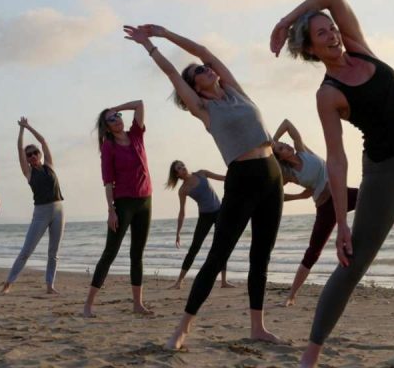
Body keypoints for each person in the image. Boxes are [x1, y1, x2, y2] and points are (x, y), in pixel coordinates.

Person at [271, 0, 394, 368]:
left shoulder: (359, 46)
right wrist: (342, 222)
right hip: (385, 174)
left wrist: (286, 20)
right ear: (311, 50)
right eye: (321, 34)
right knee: (354, 263)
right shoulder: (328, 93)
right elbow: (336, 159)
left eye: (331, 27)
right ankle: (309, 357)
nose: (332, 34)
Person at [123, 24, 284, 350]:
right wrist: (150, 45)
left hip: (272, 175)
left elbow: (206, 53)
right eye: (199, 72)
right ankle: (182, 329)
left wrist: (166, 33)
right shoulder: (203, 108)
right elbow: (172, 74)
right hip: (242, 179)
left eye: (206, 68)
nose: (207, 69)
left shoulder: (236, 90)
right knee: (216, 256)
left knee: (261, 256)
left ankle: (258, 326)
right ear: (195, 87)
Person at [271, 119, 361, 307]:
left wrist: (274, 141)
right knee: (313, 252)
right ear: (280, 158)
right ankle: (291, 295)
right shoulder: (289, 174)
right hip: (325, 206)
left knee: (374, 198)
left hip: (341, 194)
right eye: (282, 149)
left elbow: (288, 123)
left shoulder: (302, 150)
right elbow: (275, 194)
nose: (286, 145)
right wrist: (298, 197)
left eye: (284, 144)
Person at [83, 101, 153, 317]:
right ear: (106, 127)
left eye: (118, 116)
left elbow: (140, 104)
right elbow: (108, 182)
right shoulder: (108, 146)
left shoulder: (135, 134)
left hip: (145, 201)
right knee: (110, 253)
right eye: (112, 119)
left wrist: (114, 107)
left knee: (137, 254)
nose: (117, 120)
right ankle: (88, 305)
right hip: (123, 204)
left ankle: (137, 304)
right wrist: (111, 210)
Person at [1, 117, 65, 295]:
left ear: (40, 154)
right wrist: (21, 130)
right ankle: (8, 283)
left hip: (59, 209)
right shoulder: (28, 173)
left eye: (35, 152)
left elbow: (43, 141)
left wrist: (28, 126)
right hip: (41, 212)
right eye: (29, 155)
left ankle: (50, 285)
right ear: (27, 160)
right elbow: (19, 149)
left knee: (54, 251)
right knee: (26, 250)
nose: (33, 156)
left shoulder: (49, 166)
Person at [165, 161, 233, 290]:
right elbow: (182, 212)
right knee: (194, 248)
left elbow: (223, 178)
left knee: (222, 245)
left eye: (182, 165)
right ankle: (179, 282)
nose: (182, 168)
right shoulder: (183, 190)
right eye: (178, 168)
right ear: (177, 175)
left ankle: (224, 281)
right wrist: (178, 232)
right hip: (205, 217)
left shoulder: (202, 173)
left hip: (219, 212)